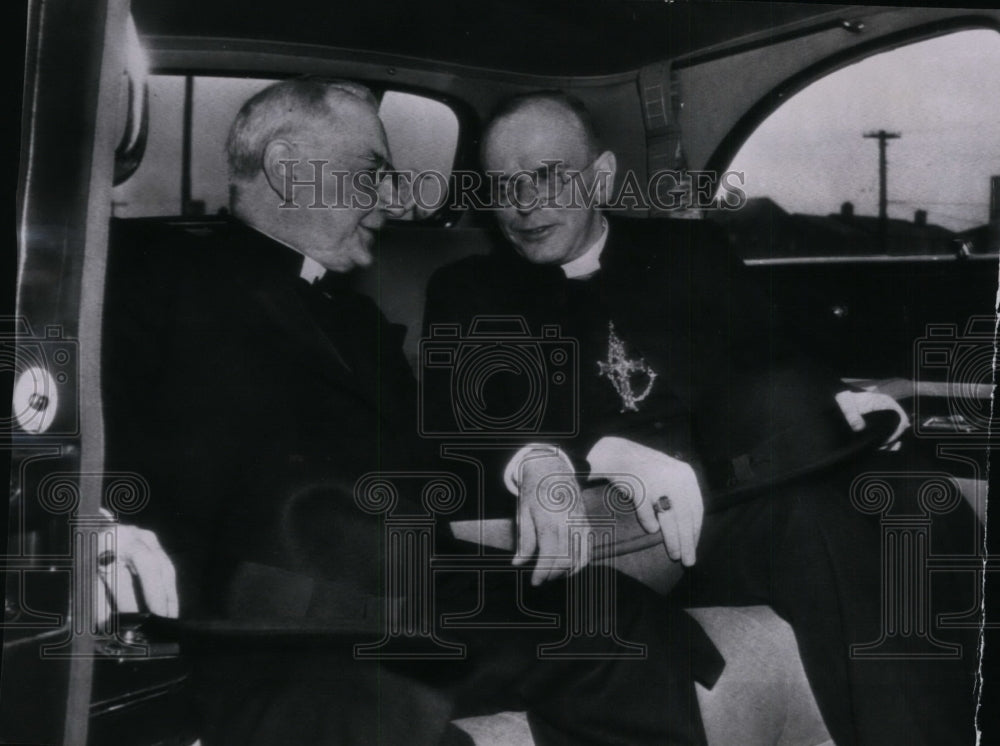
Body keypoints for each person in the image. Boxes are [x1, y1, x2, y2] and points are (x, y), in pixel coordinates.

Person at [102, 79, 726, 745]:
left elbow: (443, 453)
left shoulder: (359, 320)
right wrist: (98, 522)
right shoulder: (152, 273)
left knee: (618, 629)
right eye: (374, 173)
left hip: (414, 594)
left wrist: (543, 458)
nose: (393, 199)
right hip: (266, 619)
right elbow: (61, 419)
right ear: (287, 169)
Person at [422, 91, 980, 746]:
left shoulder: (688, 252)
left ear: (600, 176)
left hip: (743, 486)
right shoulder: (470, 288)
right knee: (813, 520)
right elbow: (474, 421)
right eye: (502, 185)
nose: (521, 203)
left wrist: (844, 402)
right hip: (630, 540)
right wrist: (583, 456)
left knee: (921, 491)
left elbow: (772, 354)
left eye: (545, 176)